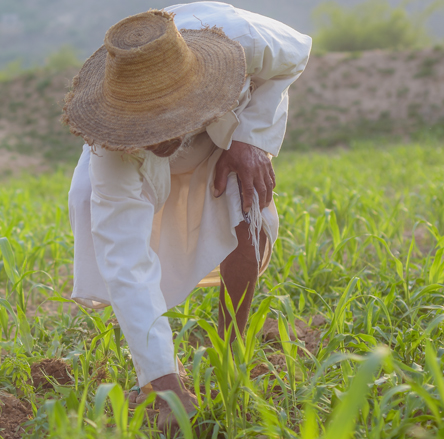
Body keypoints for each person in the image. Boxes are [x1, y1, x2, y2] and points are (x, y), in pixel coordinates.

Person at [63, 2, 311, 431]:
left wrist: (251, 138)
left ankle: (230, 351)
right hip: (135, 167)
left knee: (247, 206)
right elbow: (126, 259)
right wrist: (165, 383)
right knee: (92, 207)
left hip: (220, 130)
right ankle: (159, 367)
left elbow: (296, 56)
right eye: (143, 127)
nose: (154, 137)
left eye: (162, 123)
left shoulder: (244, 39)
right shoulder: (113, 150)